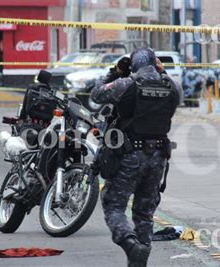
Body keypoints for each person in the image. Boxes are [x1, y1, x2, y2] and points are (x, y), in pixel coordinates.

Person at [91, 48, 180, 267]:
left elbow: (96, 95)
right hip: (158, 157)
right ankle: (139, 261)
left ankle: (130, 244)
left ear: (134, 65)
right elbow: (177, 98)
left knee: (113, 206)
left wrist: (114, 72)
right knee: (145, 214)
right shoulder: (171, 86)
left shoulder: (127, 84)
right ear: (155, 63)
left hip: (130, 156)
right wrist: (163, 71)